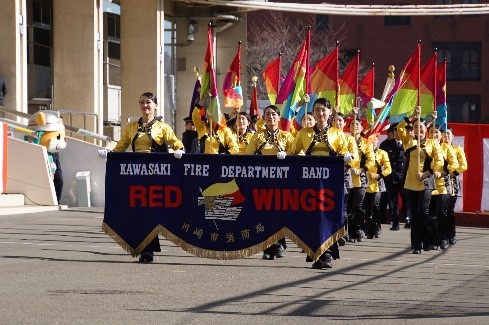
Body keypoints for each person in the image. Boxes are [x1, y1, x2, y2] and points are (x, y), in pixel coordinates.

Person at [100, 92, 185, 263]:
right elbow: (121, 146)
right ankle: (143, 247)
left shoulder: (163, 127)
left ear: (155, 105)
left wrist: (179, 151)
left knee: (152, 212)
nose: (145, 106)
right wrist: (110, 154)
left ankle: (148, 250)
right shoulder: (131, 127)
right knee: (138, 212)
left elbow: (177, 144)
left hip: (155, 176)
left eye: (148, 103)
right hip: (137, 176)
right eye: (141, 103)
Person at [288, 98, 354, 269]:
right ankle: (316, 252)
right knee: (312, 218)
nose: (320, 113)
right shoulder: (304, 133)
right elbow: (292, 152)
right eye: (317, 110)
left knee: (329, 218)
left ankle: (328, 253)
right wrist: (287, 159)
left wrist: (347, 158)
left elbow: (351, 157)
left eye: (323, 110)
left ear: (330, 112)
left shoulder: (338, 135)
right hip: (310, 181)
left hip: (331, 183)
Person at [246, 104, 295, 260]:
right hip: (262, 180)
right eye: (267, 114)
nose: (270, 117)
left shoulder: (287, 136)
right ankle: (267, 246)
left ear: (278, 118)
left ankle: (279, 244)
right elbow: (248, 155)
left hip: (282, 181)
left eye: (273, 114)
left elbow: (296, 154)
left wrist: (286, 155)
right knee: (263, 214)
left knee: (279, 214)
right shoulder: (258, 136)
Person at [397, 106, 444, 254]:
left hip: (426, 181)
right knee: (414, 215)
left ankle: (430, 239)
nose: (419, 129)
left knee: (423, 211)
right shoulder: (408, 142)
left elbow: (439, 161)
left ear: (426, 128)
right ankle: (416, 244)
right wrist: (412, 117)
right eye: (416, 127)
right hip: (411, 182)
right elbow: (400, 128)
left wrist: (426, 174)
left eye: (421, 127)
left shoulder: (433, 143)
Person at [427, 124, 458, 250]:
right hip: (428, 185)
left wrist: (444, 172)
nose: (434, 135)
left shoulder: (446, 147)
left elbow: (455, 164)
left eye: (436, 133)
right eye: (431, 132)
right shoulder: (425, 147)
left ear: (441, 135)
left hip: (443, 185)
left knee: (442, 212)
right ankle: (434, 239)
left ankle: (444, 237)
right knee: (430, 214)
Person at [347, 116, 375, 243]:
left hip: (360, 178)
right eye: (352, 124)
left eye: (358, 123)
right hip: (347, 177)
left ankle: (359, 228)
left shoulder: (366, 143)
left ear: (362, 127)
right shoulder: (346, 140)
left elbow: (371, 160)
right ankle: (349, 231)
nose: (355, 126)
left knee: (358, 206)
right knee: (347, 206)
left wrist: (361, 170)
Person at [379, 123, 406, 231]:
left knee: (407, 198)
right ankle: (395, 222)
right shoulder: (386, 144)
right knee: (392, 200)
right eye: (396, 131)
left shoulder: (408, 143)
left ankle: (406, 217)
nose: (398, 133)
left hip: (404, 176)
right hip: (391, 176)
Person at [364, 134, 392, 239]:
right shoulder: (365, 152)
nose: (372, 142)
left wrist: (379, 175)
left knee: (375, 206)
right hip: (365, 183)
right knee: (366, 209)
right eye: (370, 141)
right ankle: (368, 230)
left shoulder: (382, 153)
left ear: (377, 140)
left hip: (377, 184)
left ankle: (377, 228)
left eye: (374, 140)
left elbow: (388, 169)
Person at [443, 127, 468, 245]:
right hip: (438, 183)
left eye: (448, 134)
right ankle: (441, 236)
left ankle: (451, 234)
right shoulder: (438, 148)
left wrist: (450, 174)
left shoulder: (457, 149)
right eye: (444, 134)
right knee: (440, 211)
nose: (446, 136)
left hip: (452, 182)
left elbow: (463, 165)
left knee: (449, 210)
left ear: (453, 136)